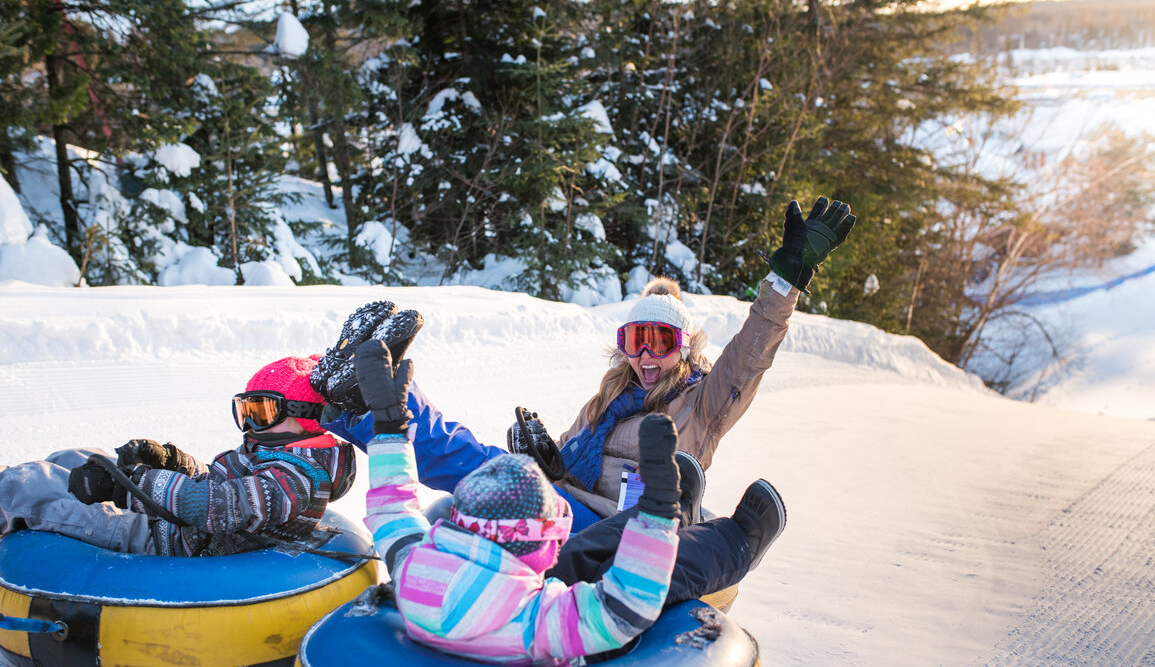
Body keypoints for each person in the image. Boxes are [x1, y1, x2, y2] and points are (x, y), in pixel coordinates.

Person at [316, 195, 854, 535]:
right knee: (480, 459)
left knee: (483, 472)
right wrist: (547, 460)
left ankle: (373, 400)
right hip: (570, 506)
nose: (645, 355)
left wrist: (784, 284)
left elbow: (751, 356)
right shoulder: (609, 397)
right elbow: (570, 470)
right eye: (635, 340)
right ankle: (366, 397)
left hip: (618, 536)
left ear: (683, 348)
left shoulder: (707, 402)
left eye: (659, 341)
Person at [354, 339, 781, 666]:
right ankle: (736, 541)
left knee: (585, 547)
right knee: (657, 573)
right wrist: (656, 518)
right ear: (529, 549)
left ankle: (666, 514)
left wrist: (390, 428)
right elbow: (624, 606)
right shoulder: (533, 620)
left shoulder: (416, 568)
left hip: (498, 575)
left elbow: (393, 510)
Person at [0, 356, 357, 557]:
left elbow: (220, 505)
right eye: (246, 411)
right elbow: (222, 482)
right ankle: (4, 531)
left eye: (262, 412)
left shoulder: (297, 479)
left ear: (307, 417)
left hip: (171, 541)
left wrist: (129, 485)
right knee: (78, 457)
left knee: (25, 485)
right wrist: (172, 461)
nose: (250, 425)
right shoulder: (280, 454)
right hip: (180, 525)